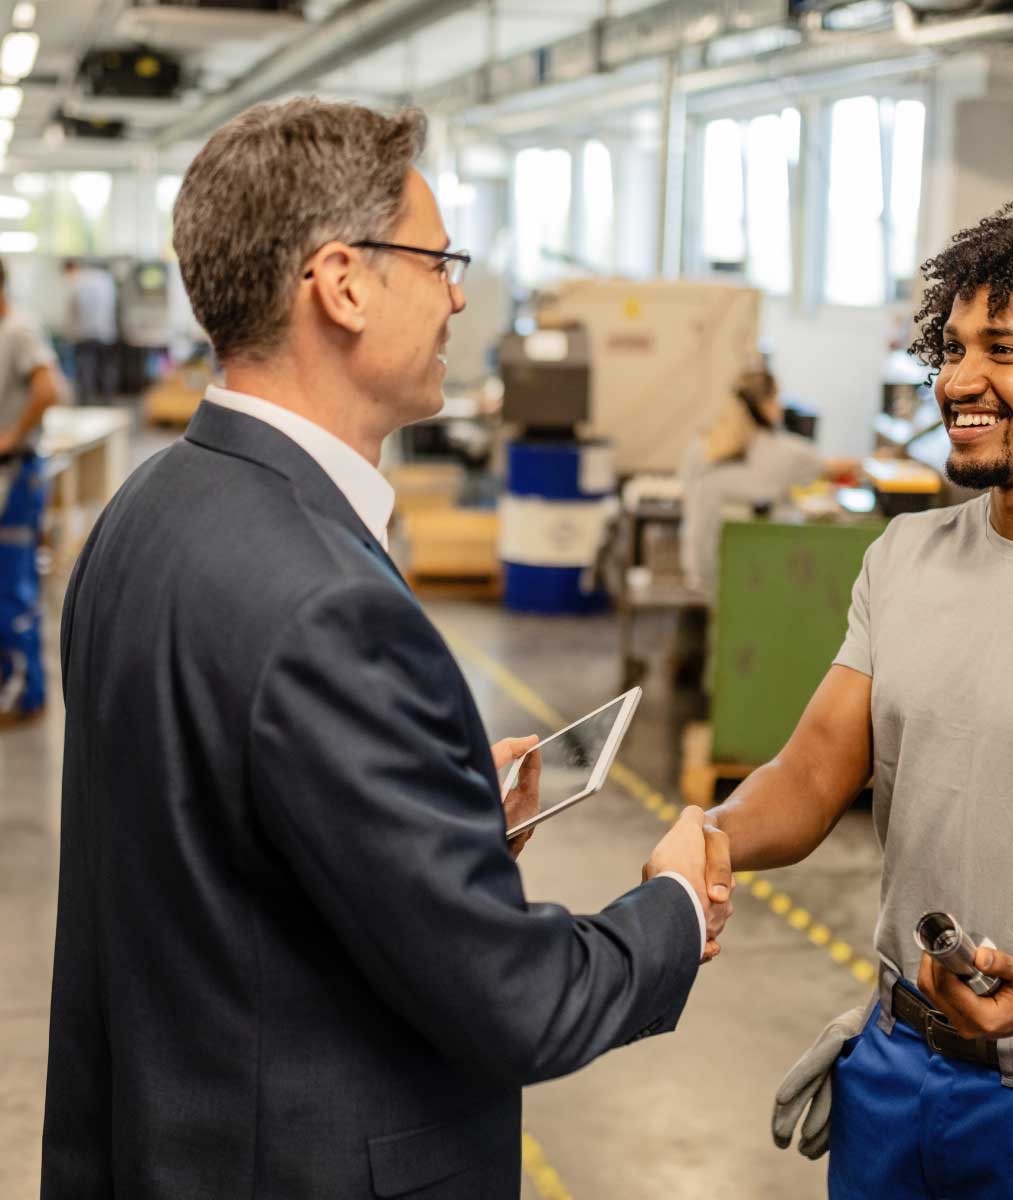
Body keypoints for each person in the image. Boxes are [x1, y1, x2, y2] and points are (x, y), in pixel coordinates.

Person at [41, 99, 734, 1199]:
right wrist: (675, 910)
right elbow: (517, 1002)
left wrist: (436, 818)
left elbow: (218, 850)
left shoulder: (147, 512)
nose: (458, 292)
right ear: (343, 283)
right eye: (438, 259)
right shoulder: (325, 601)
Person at [703, 200, 1013, 1197]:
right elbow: (809, 777)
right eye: (955, 345)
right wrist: (710, 835)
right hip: (894, 1072)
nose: (957, 380)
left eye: (1004, 350)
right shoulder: (906, 558)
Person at [679, 366, 856, 595]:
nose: (780, 406)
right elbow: (834, 466)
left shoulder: (701, 446)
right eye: (776, 398)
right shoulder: (781, 452)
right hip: (749, 577)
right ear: (764, 404)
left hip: (698, 570)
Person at [0, 258, 60, 721]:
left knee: (13, 586)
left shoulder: (18, 330)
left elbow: (47, 388)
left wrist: (12, 435)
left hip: (16, 474)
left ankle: (26, 693)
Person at [62, 258, 118, 405]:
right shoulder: (105, 279)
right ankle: (108, 401)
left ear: (71, 268)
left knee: (86, 368)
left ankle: (86, 403)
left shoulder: (76, 282)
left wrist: (69, 334)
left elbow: (72, 311)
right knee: (105, 368)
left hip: (83, 334)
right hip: (105, 333)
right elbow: (113, 306)